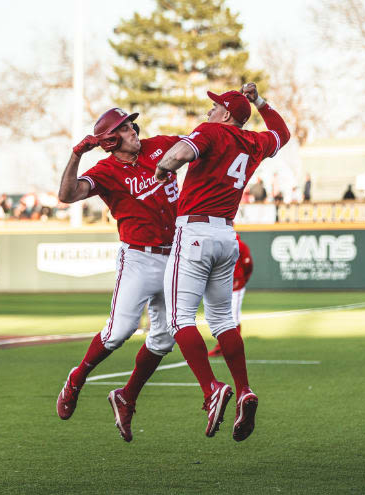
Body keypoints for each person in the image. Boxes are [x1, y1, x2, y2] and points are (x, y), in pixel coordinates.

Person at [154, 82, 290, 441]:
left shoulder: (212, 131)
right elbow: (282, 133)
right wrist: (259, 101)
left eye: (214, 107)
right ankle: (244, 388)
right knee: (222, 319)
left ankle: (211, 388)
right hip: (227, 235)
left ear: (227, 114)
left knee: (179, 318)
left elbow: (179, 153)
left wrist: (163, 169)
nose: (209, 112)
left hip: (195, 231)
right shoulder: (255, 143)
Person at [55, 108, 182, 443]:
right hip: (138, 257)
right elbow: (67, 195)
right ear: (111, 139)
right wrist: (76, 154)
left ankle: (127, 396)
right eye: (125, 127)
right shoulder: (107, 170)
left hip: (174, 256)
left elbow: (202, 146)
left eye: (131, 124)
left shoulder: (161, 147)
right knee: (119, 332)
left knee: (165, 338)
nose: (134, 130)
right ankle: (77, 377)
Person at [208, 232, 253, 357]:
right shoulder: (216, 243)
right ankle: (225, 347)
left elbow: (248, 265)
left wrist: (242, 280)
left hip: (235, 285)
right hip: (221, 286)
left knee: (233, 317)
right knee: (220, 317)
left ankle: (231, 349)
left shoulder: (239, 245)